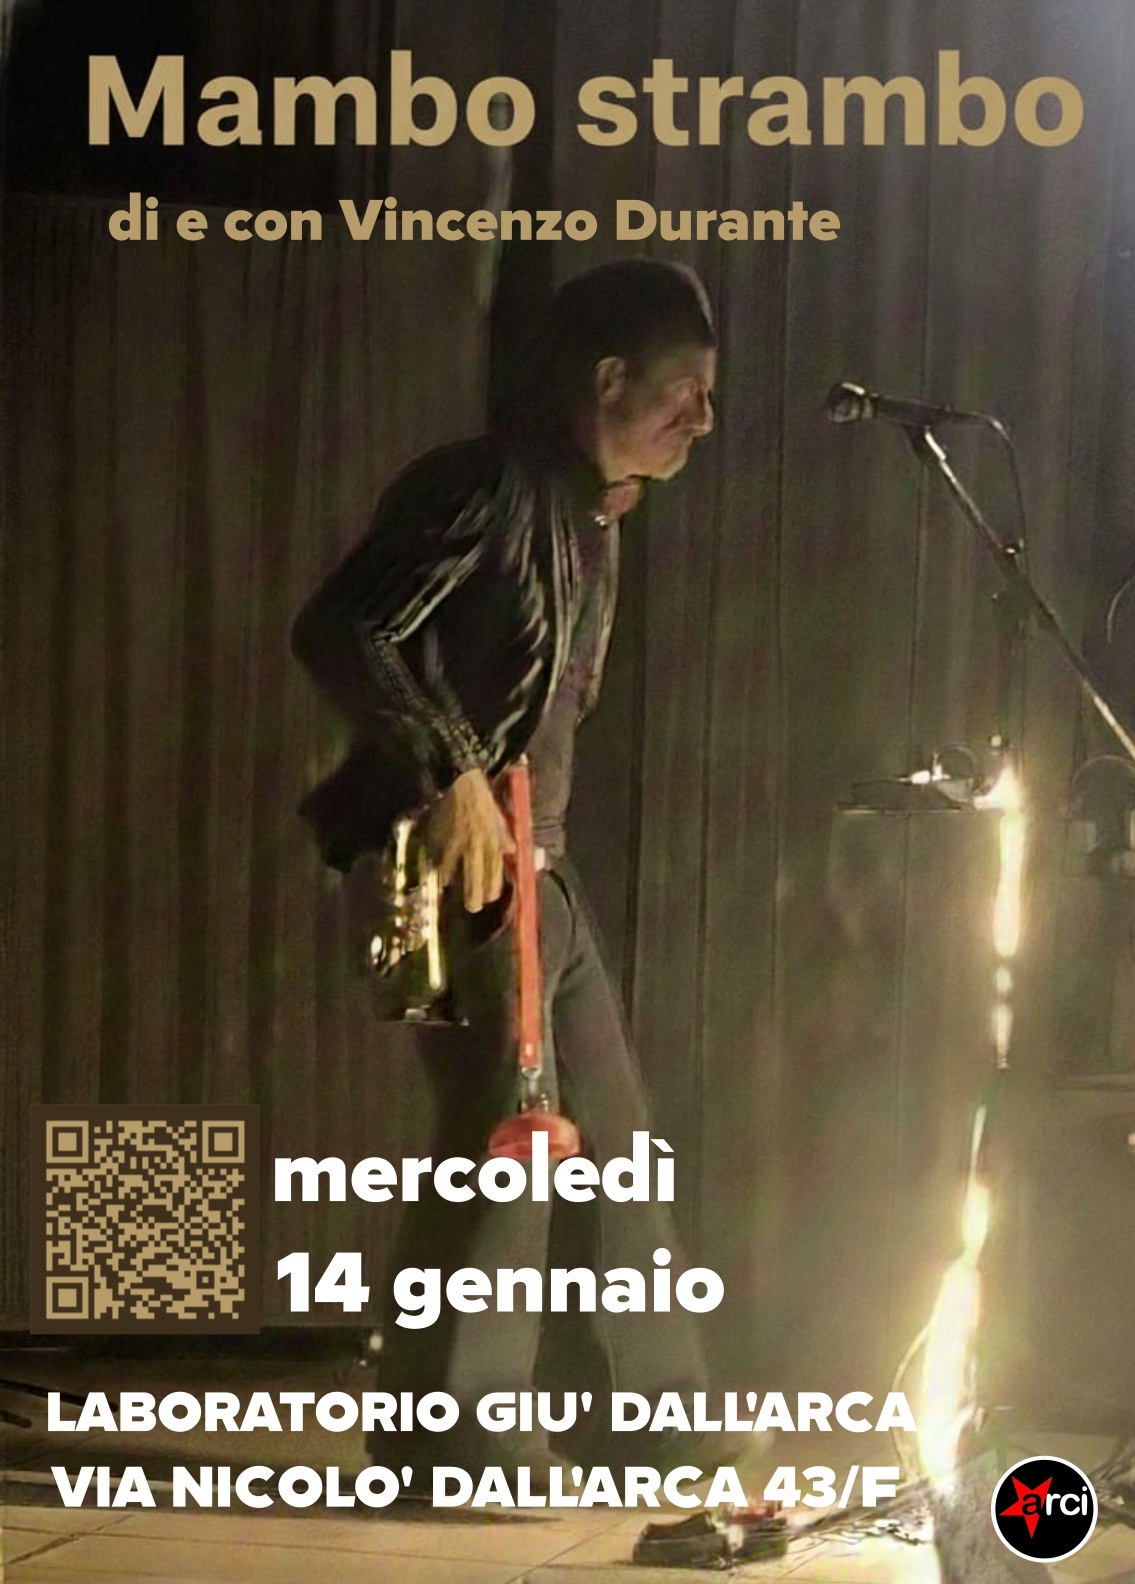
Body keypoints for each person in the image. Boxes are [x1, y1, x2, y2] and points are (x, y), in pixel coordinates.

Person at [292, 259, 721, 1479]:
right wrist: (453, 768)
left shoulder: (590, 513)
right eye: (684, 392)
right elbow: (343, 628)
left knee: (612, 1147)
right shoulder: (481, 485)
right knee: (507, 1141)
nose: (703, 420)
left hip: (544, 863)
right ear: (608, 379)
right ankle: (451, 1442)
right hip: (461, 862)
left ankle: (647, 1430)